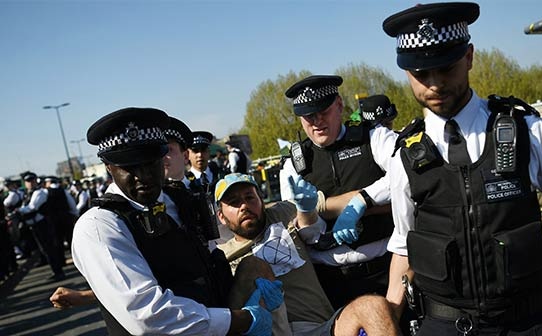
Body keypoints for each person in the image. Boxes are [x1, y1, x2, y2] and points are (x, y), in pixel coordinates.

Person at [381, 3, 542, 335]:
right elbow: (405, 245)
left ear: (469, 57)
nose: (433, 84)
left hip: (529, 323)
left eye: (445, 68)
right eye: (421, 74)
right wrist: (386, 314)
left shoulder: (527, 132)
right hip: (445, 325)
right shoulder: (404, 155)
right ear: (406, 72)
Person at [73, 107, 280, 335]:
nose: (143, 176)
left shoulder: (178, 199)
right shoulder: (99, 227)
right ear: (108, 167)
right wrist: (240, 321)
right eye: (130, 167)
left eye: (150, 163)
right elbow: (148, 316)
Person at [216, 173, 401, 336]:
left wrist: (403, 197)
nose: (244, 206)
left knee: (373, 307)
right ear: (221, 217)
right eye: (233, 202)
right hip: (267, 330)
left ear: (262, 202)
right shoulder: (220, 256)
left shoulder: (284, 212)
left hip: (317, 328)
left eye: (250, 198)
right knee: (252, 265)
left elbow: (346, 202)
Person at [278, 75, 398, 311]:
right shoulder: (294, 164)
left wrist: (360, 201)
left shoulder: (372, 137)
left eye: (323, 112)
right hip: (333, 280)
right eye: (308, 116)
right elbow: (304, 232)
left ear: (340, 106)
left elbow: (405, 175)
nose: (316, 122)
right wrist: (309, 216)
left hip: (387, 268)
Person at [15, 171, 67, 281]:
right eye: (27, 181)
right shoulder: (28, 193)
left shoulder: (39, 193)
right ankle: (56, 270)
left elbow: (32, 207)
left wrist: (19, 210)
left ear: (35, 181)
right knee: (44, 249)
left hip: (42, 224)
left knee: (49, 249)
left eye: (32, 180)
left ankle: (58, 272)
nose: (30, 183)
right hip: (35, 225)